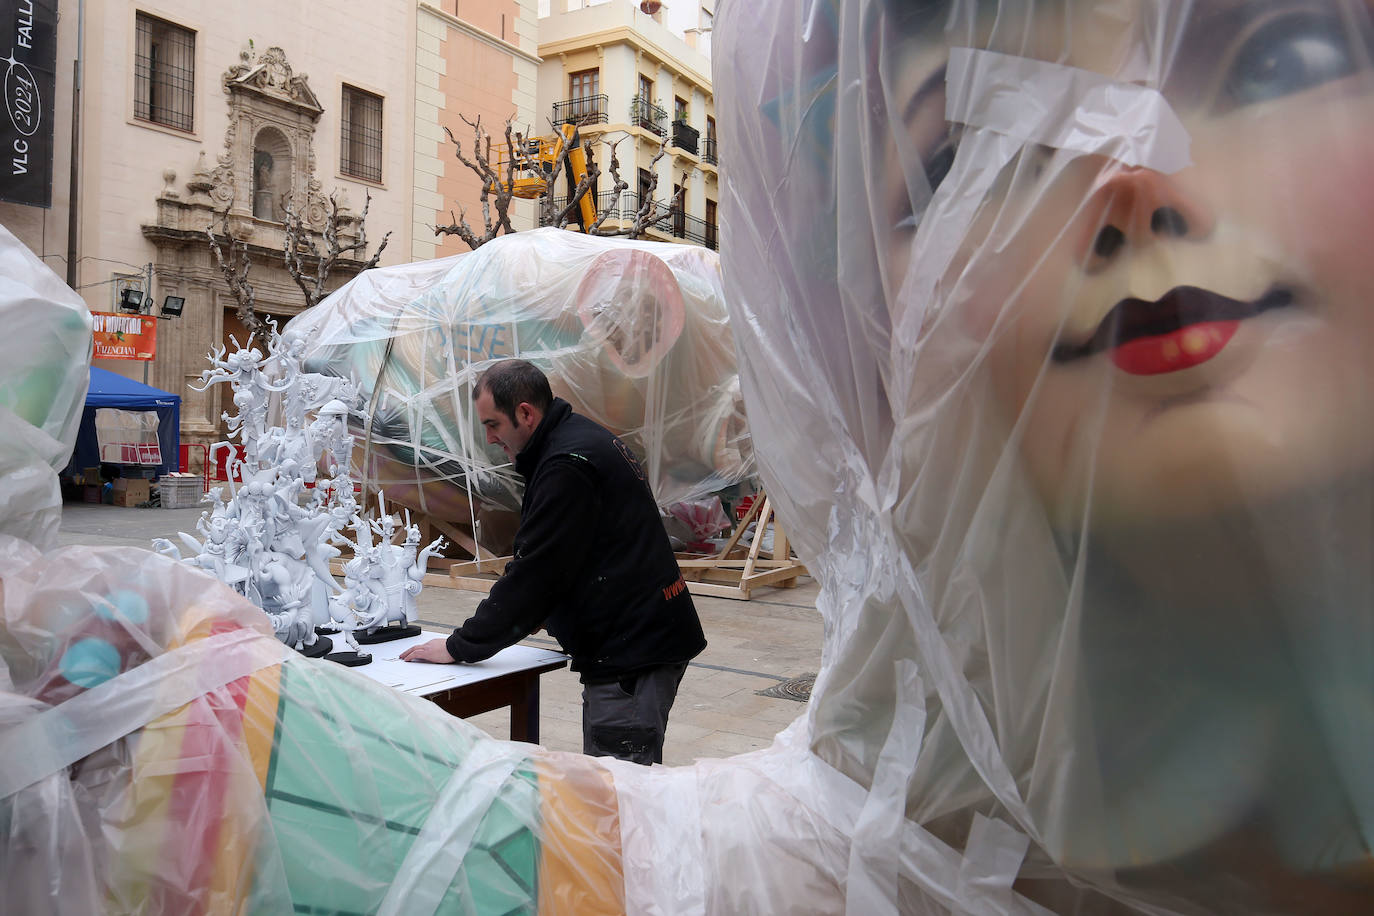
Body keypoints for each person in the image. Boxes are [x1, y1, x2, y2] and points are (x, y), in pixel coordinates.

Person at [401, 358, 706, 765]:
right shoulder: (576, 441)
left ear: (525, 413)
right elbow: (583, 549)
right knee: (620, 790)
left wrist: (460, 646)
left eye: (493, 424)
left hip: (631, 654)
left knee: (615, 795)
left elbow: (535, 575)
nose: (490, 438)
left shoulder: (566, 465)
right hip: (642, 638)